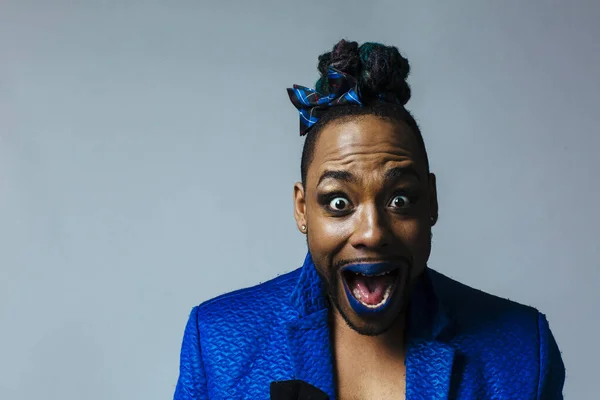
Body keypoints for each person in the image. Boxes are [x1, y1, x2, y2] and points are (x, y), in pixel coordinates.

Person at [173, 39, 565, 399]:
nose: (372, 233)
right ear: (302, 209)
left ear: (431, 203)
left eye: (399, 199)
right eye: (339, 203)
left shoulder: (523, 349)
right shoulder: (218, 340)